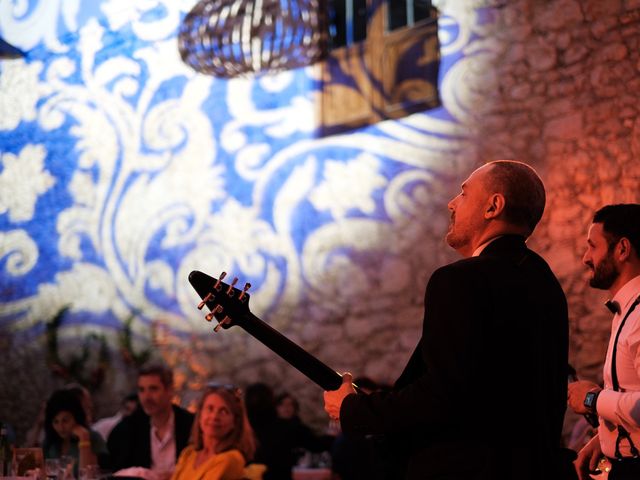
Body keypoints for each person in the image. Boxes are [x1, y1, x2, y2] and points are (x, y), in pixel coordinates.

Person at [324, 160, 574, 479]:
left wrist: (353, 410)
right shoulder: (544, 281)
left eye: (463, 193)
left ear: (493, 206)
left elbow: (444, 394)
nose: (451, 203)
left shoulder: (459, 279)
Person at [568, 204, 640, 480]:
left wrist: (591, 398)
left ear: (622, 249)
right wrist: (605, 438)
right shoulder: (626, 310)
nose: (586, 258)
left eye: (593, 246)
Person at [108, 363, 194, 480]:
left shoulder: (191, 425)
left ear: (170, 391)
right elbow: (114, 471)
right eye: (142, 390)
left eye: (153, 389)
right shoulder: (128, 428)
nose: (146, 397)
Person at [245, 383, 333, 480]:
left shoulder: (294, 427)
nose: (287, 408)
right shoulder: (285, 427)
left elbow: (315, 444)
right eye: (282, 405)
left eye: (290, 405)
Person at [171, 384, 255, 480]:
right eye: (210, 409)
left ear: (235, 421)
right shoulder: (189, 453)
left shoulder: (231, 459)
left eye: (223, 411)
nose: (214, 417)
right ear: (200, 415)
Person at [42, 388, 109, 477]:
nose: (60, 427)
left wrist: (84, 439)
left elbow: (87, 477)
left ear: (76, 417)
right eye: (56, 422)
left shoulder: (92, 437)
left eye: (65, 421)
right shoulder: (50, 442)